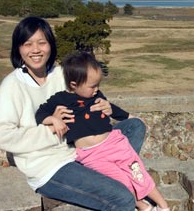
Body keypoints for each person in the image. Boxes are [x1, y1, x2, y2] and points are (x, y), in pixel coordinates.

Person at [0, 16, 147, 211]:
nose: (36, 50)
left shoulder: (62, 74)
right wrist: (49, 129)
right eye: (27, 44)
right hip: (49, 167)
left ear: (50, 45)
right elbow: (0, 136)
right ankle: (120, 182)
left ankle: (113, 171)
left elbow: (91, 94)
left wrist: (104, 106)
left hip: (80, 153)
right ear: (19, 49)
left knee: (134, 126)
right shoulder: (12, 85)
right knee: (123, 198)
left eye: (42, 42)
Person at [35, 52, 170, 211]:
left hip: (114, 144)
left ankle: (163, 206)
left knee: (138, 174)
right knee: (120, 183)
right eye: (92, 86)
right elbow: (39, 114)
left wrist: (129, 116)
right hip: (91, 155)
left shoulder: (96, 95)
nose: (96, 89)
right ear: (73, 84)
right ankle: (143, 206)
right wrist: (53, 119)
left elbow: (110, 108)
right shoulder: (59, 100)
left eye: (98, 85)